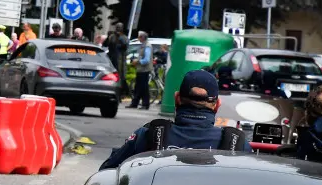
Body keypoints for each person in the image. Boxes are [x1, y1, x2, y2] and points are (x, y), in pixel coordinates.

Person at [100, 70, 252, 169]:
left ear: (177, 99)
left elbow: (107, 170)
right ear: (217, 105)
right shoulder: (237, 143)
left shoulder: (148, 135)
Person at [127, 31, 153, 109]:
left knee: (144, 88)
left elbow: (146, 60)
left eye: (139, 37)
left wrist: (137, 61)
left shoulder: (147, 46)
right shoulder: (143, 45)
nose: (138, 38)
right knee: (138, 87)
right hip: (141, 70)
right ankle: (134, 103)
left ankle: (145, 104)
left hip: (144, 70)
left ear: (142, 37)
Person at [105, 22, 129, 93]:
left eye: (119, 27)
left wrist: (120, 37)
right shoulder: (112, 36)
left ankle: (121, 92)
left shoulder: (124, 37)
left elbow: (125, 46)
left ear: (122, 28)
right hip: (112, 59)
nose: (118, 29)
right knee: (111, 75)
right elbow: (106, 44)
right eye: (117, 27)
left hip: (120, 60)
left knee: (121, 77)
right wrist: (108, 37)